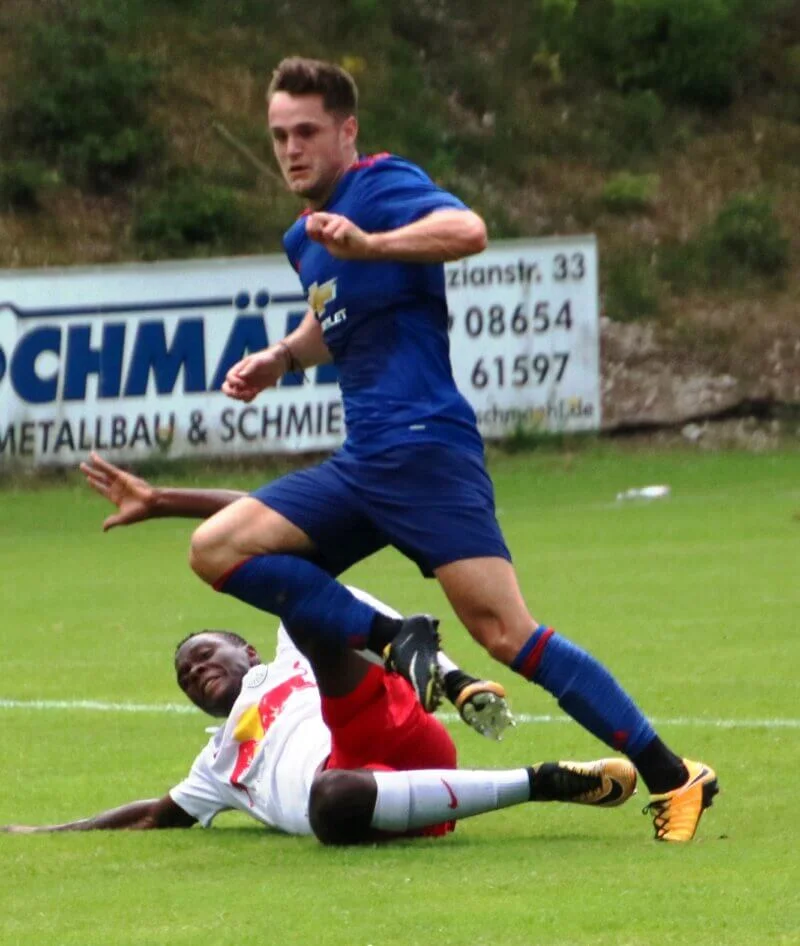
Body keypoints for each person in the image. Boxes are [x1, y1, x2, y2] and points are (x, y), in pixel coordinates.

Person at [181, 57, 711, 841]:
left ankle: (677, 777)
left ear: (347, 131)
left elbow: (468, 231)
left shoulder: (382, 186)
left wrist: (372, 241)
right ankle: (395, 639)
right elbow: (334, 316)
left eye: (306, 132)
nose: (290, 149)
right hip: (365, 461)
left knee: (507, 635)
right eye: (277, 135)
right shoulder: (304, 237)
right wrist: (283, 358)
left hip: (427, 451)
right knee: (218, 549)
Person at [2, 618, 638, 842]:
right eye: (185, 678)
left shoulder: (283, 661)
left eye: (204, 656)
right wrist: (45, 831)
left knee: (308, 608)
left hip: (386, 724)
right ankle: (544, 781)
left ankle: (433, 667)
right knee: (328, 800)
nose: (195, 673)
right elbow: (149, 816)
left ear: (245, 652)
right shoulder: (215, 766)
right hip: (360, 792)